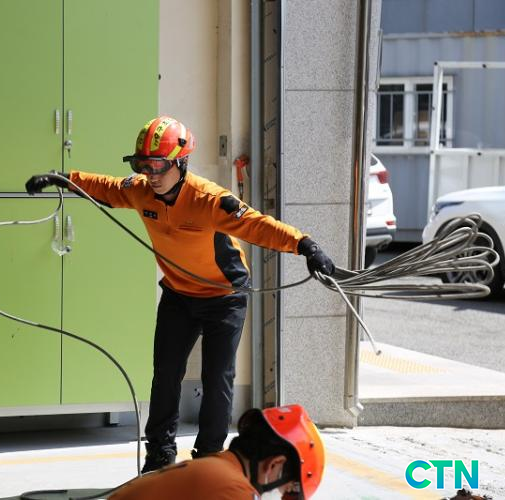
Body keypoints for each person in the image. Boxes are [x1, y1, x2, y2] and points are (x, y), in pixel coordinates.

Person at [25, 116, 335, 473]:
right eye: (142, 165)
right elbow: (106, 187)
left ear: (181, 162)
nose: (150, 174)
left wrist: (305, 245)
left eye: (158, 165)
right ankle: (159, 452)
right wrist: (61, 178)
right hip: (178, 294)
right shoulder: (141, 190)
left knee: (217, 378)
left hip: (224, 296)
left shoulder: (210, 200)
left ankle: (209, 459)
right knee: (166, 373)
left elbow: (257, 225)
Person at [107, 404, 325, 499]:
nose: (280, 497)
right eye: (287, 491)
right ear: (275, 465)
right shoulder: (234, 491)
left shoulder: (216, 467)